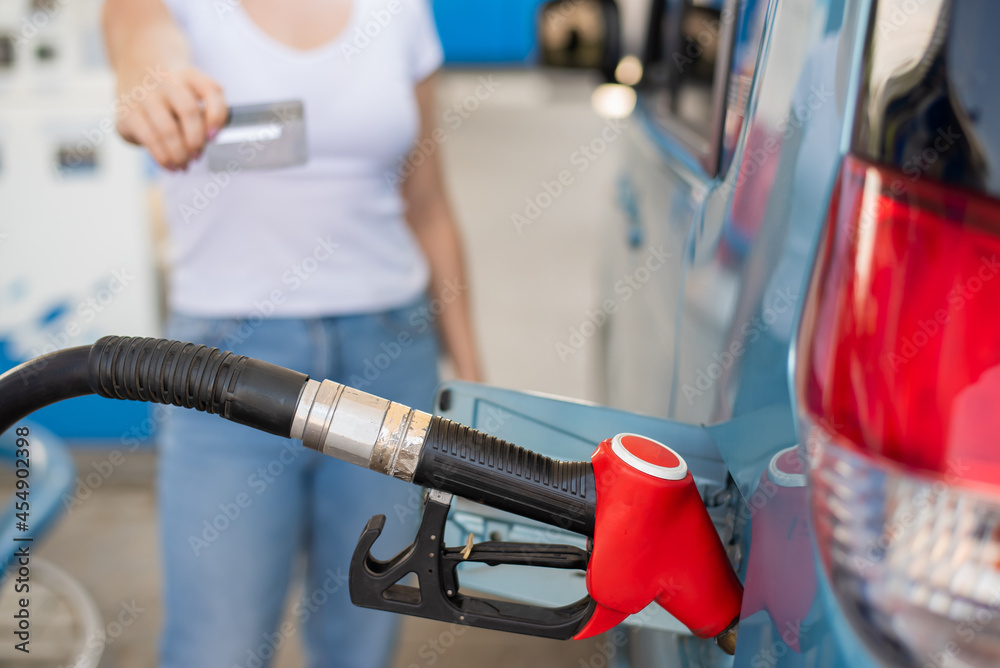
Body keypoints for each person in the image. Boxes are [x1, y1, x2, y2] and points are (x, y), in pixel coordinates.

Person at [102, 1, 481, 666]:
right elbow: (141, 41)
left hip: (388, 358)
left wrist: (477, 388)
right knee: (214, 647)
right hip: (222, 370)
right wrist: (152, 83)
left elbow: (429, 207)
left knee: (361, 638)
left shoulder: (401, 12)